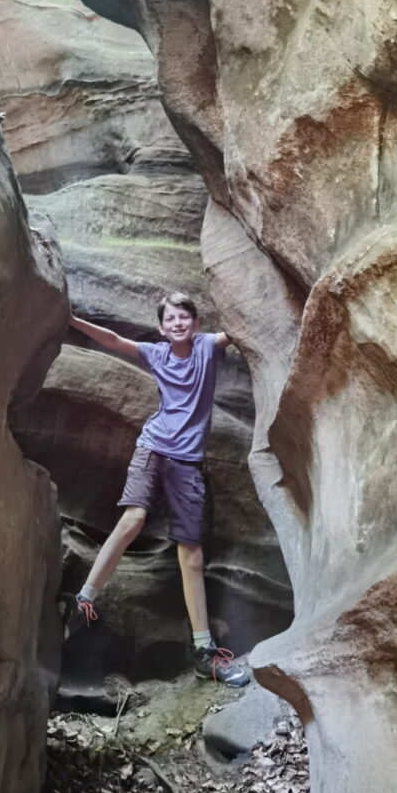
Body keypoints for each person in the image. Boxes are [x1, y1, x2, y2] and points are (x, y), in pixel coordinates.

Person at [67, 292, 250, 688]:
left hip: (187, 463)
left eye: (185, 316)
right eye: (171, 318)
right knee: (133, 518)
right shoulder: (155, 353)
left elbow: (237, 331)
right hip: (153, 448)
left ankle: (204, 653)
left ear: (195, 324)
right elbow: (114, 341)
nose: (178, 323)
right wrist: (71, 320)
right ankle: (83, 603)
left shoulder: (206, 347)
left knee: (193, 556)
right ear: (162, 327)